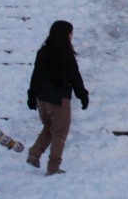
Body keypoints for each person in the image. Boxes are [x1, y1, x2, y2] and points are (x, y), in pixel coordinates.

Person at [26, 21, 89, 176]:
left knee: (49, 126)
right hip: (59, 99)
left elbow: (35, 75)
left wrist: (31, 96)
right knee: (60, 132)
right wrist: (83, 95)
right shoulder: (65, 53)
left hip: (42, 98)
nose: (71, 36)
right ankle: (53, 167)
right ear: (65, 34)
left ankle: (34, 154)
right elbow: (74, 77)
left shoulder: (43, 51)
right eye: (70, 33)